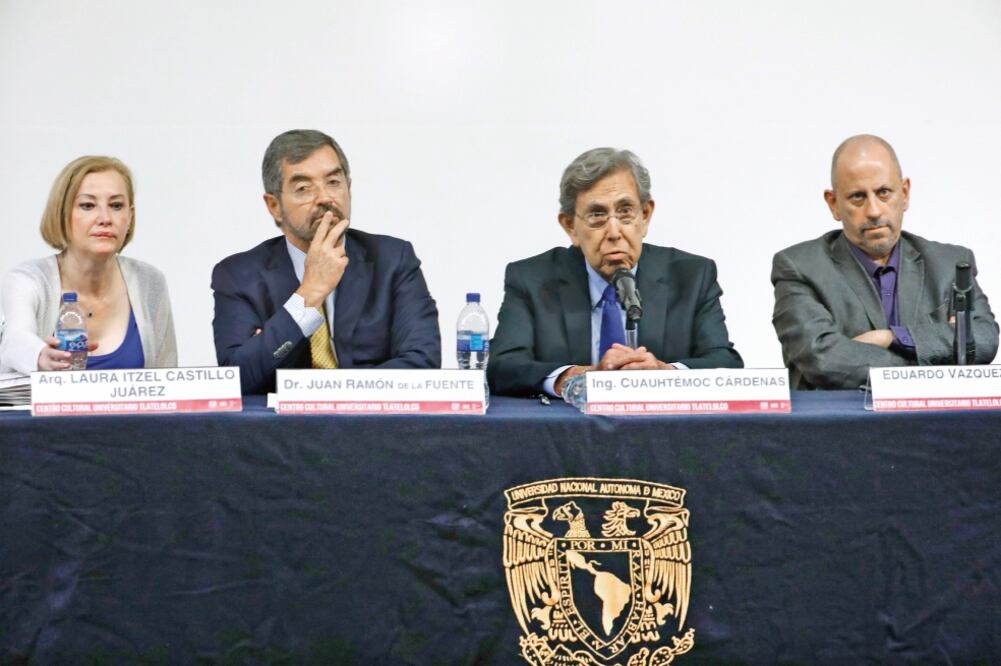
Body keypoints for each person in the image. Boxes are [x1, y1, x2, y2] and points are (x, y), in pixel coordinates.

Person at [488, 147, 742, 398]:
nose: (613, 232)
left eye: (625, 212)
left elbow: (725, 362)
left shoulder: (692, 276)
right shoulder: (531, 279)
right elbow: (502, 367)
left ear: (645, 215)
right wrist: (578, 376)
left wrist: (667, 373)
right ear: (570, 226)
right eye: (597, 215)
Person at [211, 129, 440, 394]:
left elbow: (423, 365)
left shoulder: (392, 260)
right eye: (303, 188)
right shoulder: (238, 275)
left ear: (349, 188)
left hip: (374, 429)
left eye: (333, 182)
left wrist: (325, 391)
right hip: (278, 433)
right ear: (274, 205)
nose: (324, 198)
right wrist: (308, 295)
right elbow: (237, 378)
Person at [771, 134, 999, 390]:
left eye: (884, 193)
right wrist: (934, 358)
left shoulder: (949, 264)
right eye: (858, 197)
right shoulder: (799, 267)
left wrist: (891, 338)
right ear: (833, 204)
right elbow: (824, 358)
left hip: (933, 427)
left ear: (904, 194)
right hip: (841, 426)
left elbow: (984, 339)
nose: (874, 211)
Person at [0, 156, 177, 373]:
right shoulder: (28, 279)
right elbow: (14, 340)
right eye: (87, 205)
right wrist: (40, 355)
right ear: (62, 213)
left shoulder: (150, 282)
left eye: (116, 205)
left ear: (130, 217)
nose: (105, 218)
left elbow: (168, 378)